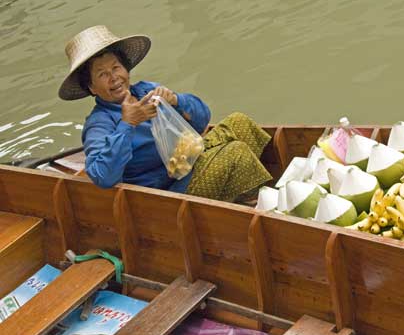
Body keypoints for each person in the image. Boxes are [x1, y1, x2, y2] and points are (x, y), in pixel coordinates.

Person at [58, 25, 272, 202]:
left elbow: (201, 120)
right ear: (92, 88)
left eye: (116, 68)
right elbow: (102, 176)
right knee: (235, 153)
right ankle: (255, 204)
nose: (114, 78)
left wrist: (176, 101)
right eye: (102, 74)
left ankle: (240, 191)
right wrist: (127, 124)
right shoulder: (99, 123)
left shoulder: (145, 90)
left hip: (189, 163)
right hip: (167, 196)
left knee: (239, 122)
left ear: (126, 69)